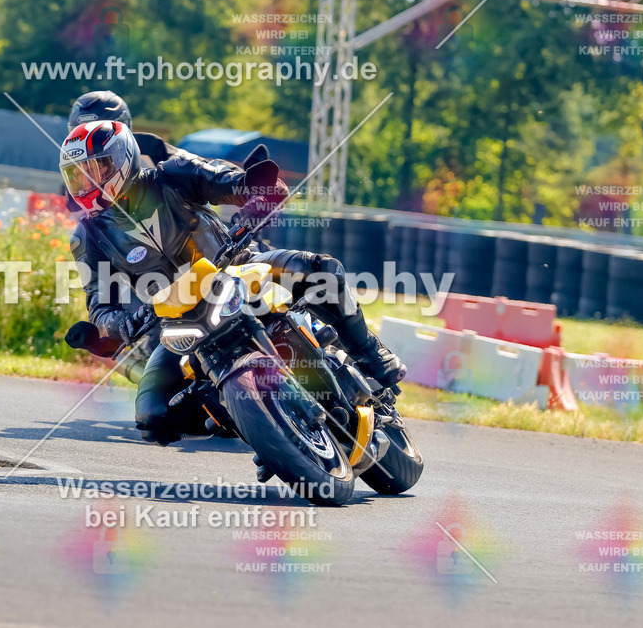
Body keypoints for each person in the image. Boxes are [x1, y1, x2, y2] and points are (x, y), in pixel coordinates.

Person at [62, 120, 406, 445]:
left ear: (123, 157)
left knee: (320, 270)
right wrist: (118, 325)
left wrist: (256, 193)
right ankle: (241, 418)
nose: (88, 182)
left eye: (98, 168)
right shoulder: (88, 237)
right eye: (78, 175)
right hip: (178, 320)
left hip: (239, 268)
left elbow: (227, 181)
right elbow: (100, 306)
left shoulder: (171, 175)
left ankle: (370, 354)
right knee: (153, 416)